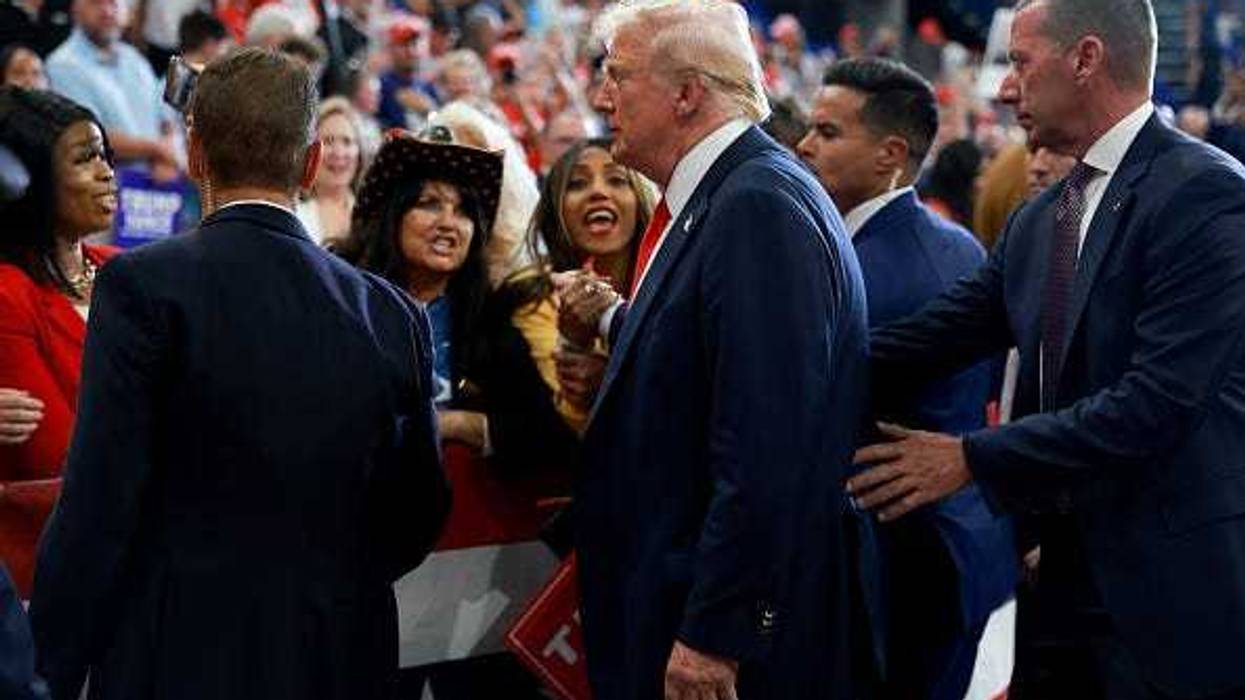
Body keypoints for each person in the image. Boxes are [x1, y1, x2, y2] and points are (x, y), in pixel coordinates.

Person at [847, 1, 1245, 698]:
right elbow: (922, 340)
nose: (1003, 87)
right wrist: (759, 354)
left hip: (1170, 606)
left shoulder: (1206, 195)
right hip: (1054, 592)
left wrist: (970, 457)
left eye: (1019, 63)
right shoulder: (1041, 219)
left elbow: (1155, 404)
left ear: (1085, 59)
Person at [29, 48, 450, 700]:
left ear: (194, 155)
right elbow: (418, 512)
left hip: (177, 656)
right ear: (311, 163)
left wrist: (48, 672)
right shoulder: (392, 313)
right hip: (339, 654)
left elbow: (98, 504)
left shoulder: (141, 287)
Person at [557, 2, 869, 698]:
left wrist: (714, 633)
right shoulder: (720, 197)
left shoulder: (756, 206)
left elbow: (765, 447)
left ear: (687, 92)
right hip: (668, 601)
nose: (601, 97)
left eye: (617, 76)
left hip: (714, 637)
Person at [796, 57, 1017, 700]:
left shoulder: (864, 270)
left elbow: (794, 389)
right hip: (951, 553)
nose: (804, 145)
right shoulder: (952, 243)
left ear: (890, 154)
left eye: (828, 133)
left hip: (899, 569)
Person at [336, 127, 574, 699]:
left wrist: (461, 425)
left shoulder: (491, 322)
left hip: (467, 594)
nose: (450, 222)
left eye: (465, 210)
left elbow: (545, 437)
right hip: (357, 573)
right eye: (429, 204)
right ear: (391, 215)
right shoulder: (341, 303)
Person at [0, 87, 118, 598]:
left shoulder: (125, 270)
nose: (106, 171)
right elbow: (56, 452)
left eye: (105, 154)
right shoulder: (8, 292)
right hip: (44, 574)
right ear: (30, 182)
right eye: (84, 158)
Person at [502, 137, 654, 431]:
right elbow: (574, 427)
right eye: (577, 184)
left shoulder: (672, 280)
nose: (598, 191)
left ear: (640, 198)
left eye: (616, 179)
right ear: (556, 209)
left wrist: (611, 375)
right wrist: (573, 343)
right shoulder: (532, 293)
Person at [45, 0, 180, 179]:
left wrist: (165, 153)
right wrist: (158, 150)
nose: (107, 11)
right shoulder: (61, 65)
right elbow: (87, 135)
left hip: (157, 187)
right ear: (76, 9)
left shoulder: (135, 60)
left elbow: (165, 115)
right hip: (102, 188)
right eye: (96, 3)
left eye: (114, 3)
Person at [297, 96, 367, 245]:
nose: (338, 153)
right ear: (311, 152)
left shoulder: (373, 214)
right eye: (328, 141)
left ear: (359, 152)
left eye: (347, 141)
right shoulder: (294, 213)